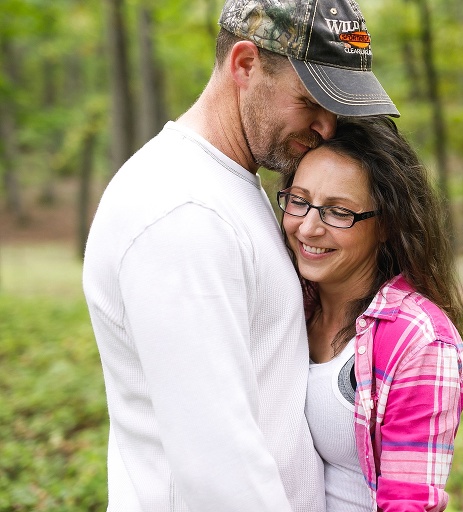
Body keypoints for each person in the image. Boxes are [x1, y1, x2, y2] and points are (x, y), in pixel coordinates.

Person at [82, 0, 398, 510]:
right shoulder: (181, 210)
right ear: (246, 65)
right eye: (309, 100)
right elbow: (217, 468)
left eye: (335, 109)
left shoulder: (227, 184)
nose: (326, 127)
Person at [277, 116, 463, 512]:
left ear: (385, 225)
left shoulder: (419, 341)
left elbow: (408, 503)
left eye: (338, 212)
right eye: (299, 201)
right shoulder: (288, 304)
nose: (308, 228)